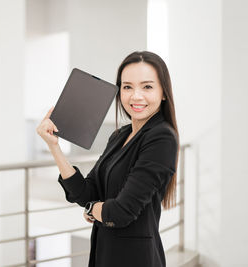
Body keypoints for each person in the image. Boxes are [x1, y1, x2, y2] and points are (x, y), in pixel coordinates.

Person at [36, 51, 179, 267]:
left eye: (147, 87)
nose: (136, 96)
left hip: (134, 259)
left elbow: (121, 212)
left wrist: (92, 208)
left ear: (163, 93)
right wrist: (54, 147)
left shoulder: (162, 137)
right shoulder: (120, 135)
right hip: (105, 254)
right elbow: (86, 192)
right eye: (127, 87)